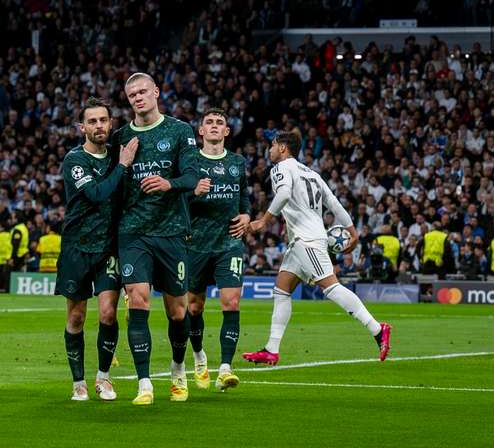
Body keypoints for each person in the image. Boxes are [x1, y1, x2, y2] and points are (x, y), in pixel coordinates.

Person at [243, 131, 392, 365]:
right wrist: (352, 231)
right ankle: (271, 349)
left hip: (307, 239)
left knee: (331, 287)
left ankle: (377, 329)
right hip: (303, 240)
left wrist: (264, 220)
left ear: (283, 148)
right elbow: (333, 202)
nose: (269, 150)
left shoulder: (281, 168)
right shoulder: (311, 173)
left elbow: (283, 194)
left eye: (272, 145)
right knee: (282, 289)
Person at [111, 73, 199, 405]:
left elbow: (192, 177)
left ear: (156, 92)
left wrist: (168, 183)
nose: (137, 97)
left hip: (172, 231)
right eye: (131, 93)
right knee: (138, 299)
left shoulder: (179, 131)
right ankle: (144, 382)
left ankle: (178, 370)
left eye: (143, 91)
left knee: (178, 311)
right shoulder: (121, 137)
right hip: (133, 231)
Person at [56, 97, 138, 401]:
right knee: (76, 318)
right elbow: (96, 193)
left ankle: (104, 378)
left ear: (111, 123)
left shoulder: (118, 157)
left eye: (103, 120)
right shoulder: (75, 159)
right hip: (77, 247)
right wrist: (122, 166)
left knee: (107, 314)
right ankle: (78, 382)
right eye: (92, 121)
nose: (98, 126)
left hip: (109, 249)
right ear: (82, 127)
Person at [187, 109, 249, 392]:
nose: (214, 126)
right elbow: (176, 197)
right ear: (200, 131)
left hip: (229, 243)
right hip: (195, 244)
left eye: (219, 123)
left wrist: (247, 215)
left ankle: (225, 368)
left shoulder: (238, 163)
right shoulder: (190, 162)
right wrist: (192, 192)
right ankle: (199, 355)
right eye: (209, 123)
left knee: (231, 302)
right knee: (194, 307)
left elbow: (244, 197)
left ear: (226, 132)